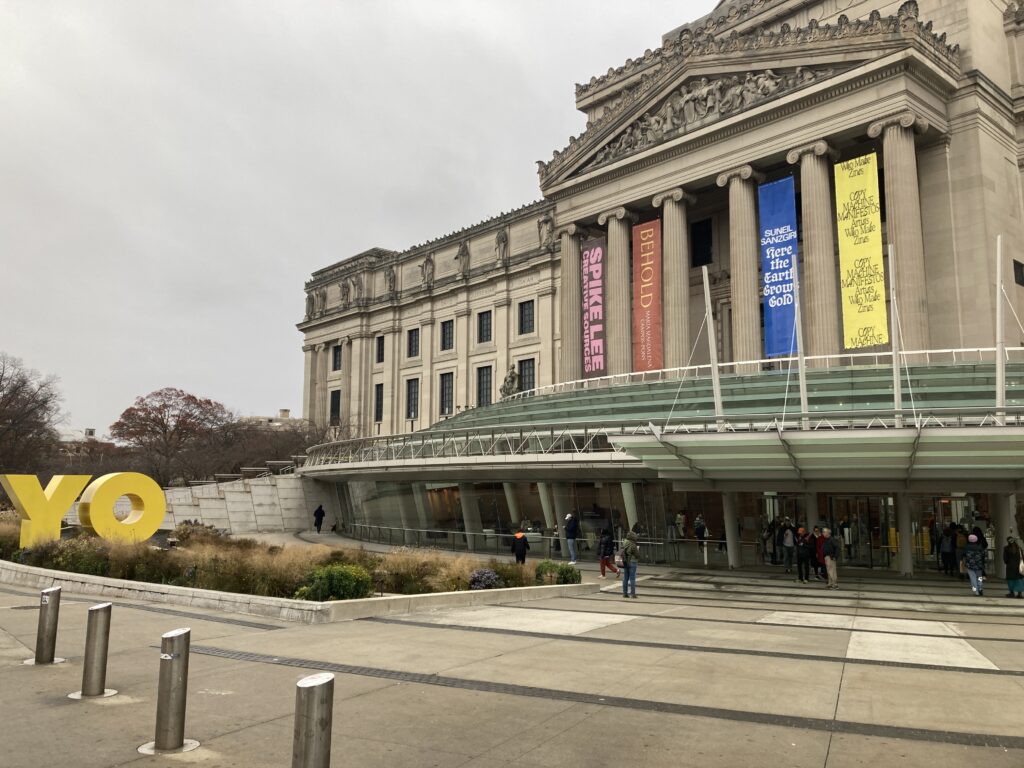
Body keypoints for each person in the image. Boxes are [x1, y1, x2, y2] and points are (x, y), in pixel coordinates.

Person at [621, 530, 640, 598]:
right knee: (632, 579)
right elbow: (637, 555)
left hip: (626, 561)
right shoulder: (633, 544)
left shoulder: (625, 542)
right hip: (632, 562)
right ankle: (633, 594)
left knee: (625, 578)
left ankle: (624, 593)